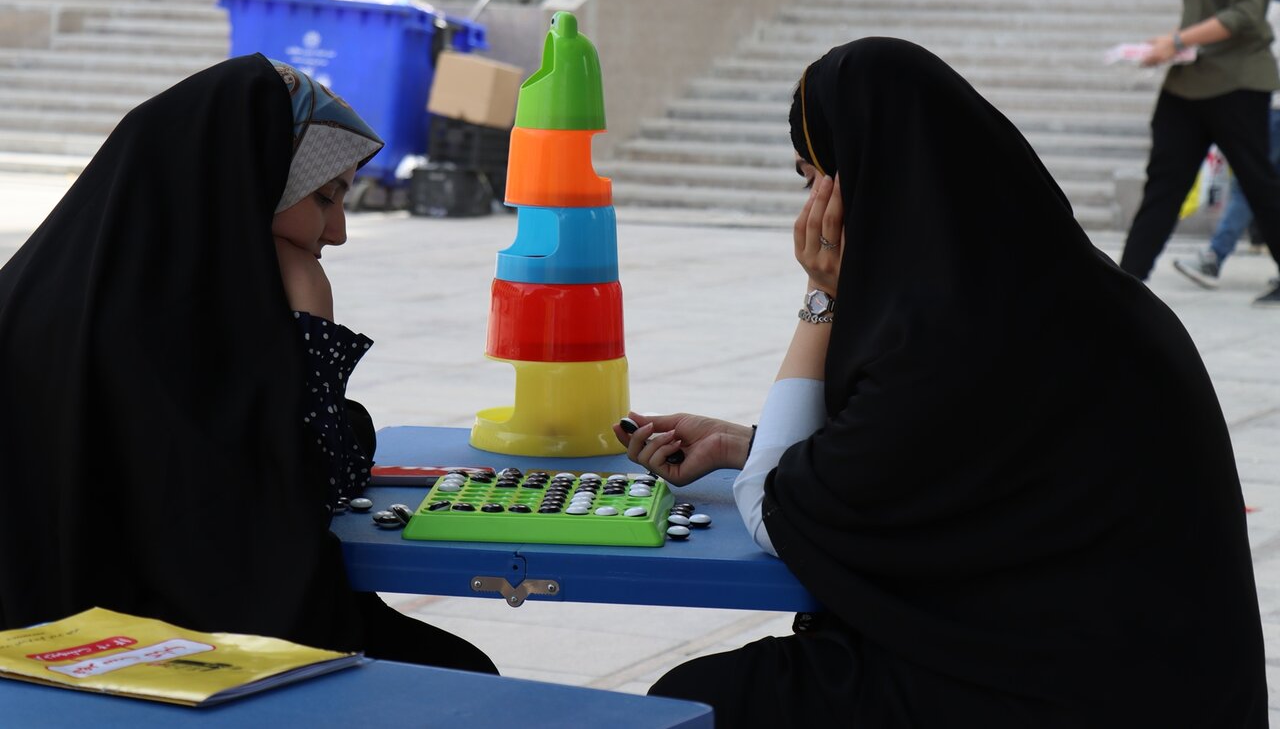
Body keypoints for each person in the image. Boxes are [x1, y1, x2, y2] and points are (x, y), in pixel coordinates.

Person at [616, 38, 1266, 726]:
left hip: (1061, 695)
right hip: (1147, 683)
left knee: (702, 703)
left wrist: (821, 299)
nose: (810, 213)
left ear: (869, 179)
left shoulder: (945, 336)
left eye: (814, 181)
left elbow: (775, 511)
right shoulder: (1074, 293)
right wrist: (745, 445)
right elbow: (943, 469)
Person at [0, 54, 496, 674]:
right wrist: (311, 325)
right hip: (164, 657)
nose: (338, 231)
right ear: (245, 180)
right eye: (324, 197)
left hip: (42, 653)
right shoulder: (168, 334)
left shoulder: (50, 293)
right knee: (461, 678)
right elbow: (315, 482)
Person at [1120, 0, 1280, 306]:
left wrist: (1177, 41)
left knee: (1258, 184)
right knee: (1163, 186)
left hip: (1236, 83)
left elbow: (1246, 13)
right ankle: (1124, 284)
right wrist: (1167, 44)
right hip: (1190, 83)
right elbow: (1206, 13)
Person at [1175, 0, 1280, 301]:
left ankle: (1214, 256)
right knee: (1257, 182)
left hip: (1270, 98)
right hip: (1249, 96)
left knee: (1252, 182)